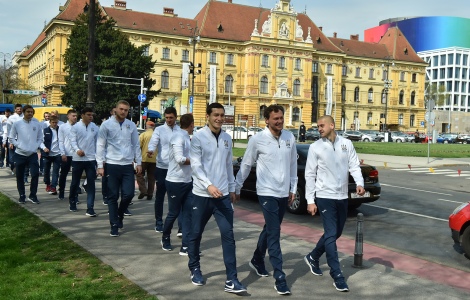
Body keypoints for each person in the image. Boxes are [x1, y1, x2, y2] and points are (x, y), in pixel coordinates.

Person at [234, 104, 297, 295]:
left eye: (281, 118)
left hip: (283, 192)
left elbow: (293, 164)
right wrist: (236, 187)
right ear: (267, 120)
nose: (279, 121)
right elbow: (245, 164)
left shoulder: (289, 137)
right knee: (274, 233)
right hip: (266, 191)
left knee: (270, 228)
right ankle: (280, 277)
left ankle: (257, 258)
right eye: (275, 118)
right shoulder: (258, 140)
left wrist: (293, 188)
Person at [188, 103, 246, 294]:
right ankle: (194, 268)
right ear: (208, 116)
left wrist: (231, 188)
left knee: (228, 236)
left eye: (222, 115)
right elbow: (195, 166)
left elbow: (229, 166)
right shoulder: (197, 137)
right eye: (216, 115)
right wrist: (208, 185)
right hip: (201, 195)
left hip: (222, 197)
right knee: (195, 234)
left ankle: (232, 279)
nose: (219, 118)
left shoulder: (227, 139)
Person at [303, 115, 365, 292]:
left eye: (322, 125)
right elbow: (310, 174)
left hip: (342, 196)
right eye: (318, 126)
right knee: (330, 234)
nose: (319, 128)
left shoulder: (346, 144)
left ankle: (313, 256)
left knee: (336, 233)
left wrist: (359, 182)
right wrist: (310, 200)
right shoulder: (315, 147)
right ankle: (337, 274)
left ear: (332, 125)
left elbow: (354, 165)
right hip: (324, 196)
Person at [96, 100, 142, 236]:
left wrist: (138, 162)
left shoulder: (131, 125)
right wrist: (100, 165)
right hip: (112, 164)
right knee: (113, 196)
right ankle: (114, 225)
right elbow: (100, 145)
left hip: (127, 165)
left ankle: (119, 215)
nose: (123, 112)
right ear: (115, 109)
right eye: (121, 109)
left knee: (129, 194)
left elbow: (135, 145)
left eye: (126, 110)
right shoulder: (106, 125)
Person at [161, 114, 194, 254]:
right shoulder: (178, 137)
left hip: (188, 181)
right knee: (173, 213)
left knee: (188, 214)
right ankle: (165, 237)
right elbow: (180, 159)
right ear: (191, 124)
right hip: (174, 181)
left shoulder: (188, 137)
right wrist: (196, 160)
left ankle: (185, 245)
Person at [147, 107, 181, 233]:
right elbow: (153, 142)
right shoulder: (159, 129)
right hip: (162, 167)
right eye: (166, 117)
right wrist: (151, 150)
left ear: (176, 117)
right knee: (160, 197)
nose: (168, 120)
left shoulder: (180, 130)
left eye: (171, 117)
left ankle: (179, 225)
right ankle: (159, 222)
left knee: (177, 198)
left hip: (176, 169)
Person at [8, 105, 43, 204]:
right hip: (20, 154)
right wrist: (18, 145)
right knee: (19, 175)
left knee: (35, 174)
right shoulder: (17, 124)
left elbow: (40, 137)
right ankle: (22, 195)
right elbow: (11, 137)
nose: (30, 113)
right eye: (28, 112)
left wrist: (36, 146)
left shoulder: (36, 125)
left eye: (31, 112)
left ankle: (33, 195)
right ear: (24, 112)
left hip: (32, 154)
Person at [68, 107, 99, 216]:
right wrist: (77, 150)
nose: (91, 117)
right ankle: (72, 202)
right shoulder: (75, 127)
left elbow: (97, 143)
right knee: (75, 182)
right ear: (82, 115)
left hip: (91, 159)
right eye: (88, 115)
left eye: (92, 115)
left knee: (91, 184)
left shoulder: (94, 127)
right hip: (78, 159)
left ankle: (90, 208)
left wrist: (98, 157)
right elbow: (72, 141)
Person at [58, 109, 78, 200]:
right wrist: (63, 153)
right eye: (73, 116)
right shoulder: (63, 127)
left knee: (76, 175)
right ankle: (61, 191)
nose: (75, 117)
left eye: (76, 116)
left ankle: (74, 194)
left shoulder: (78, 126)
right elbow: (61, 141)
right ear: (68, 116)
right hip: (66, 154)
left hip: (76, 155)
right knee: (63, 174)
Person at [40, 116, 61, 195]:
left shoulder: (60, 130)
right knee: (46, 171)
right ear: (50, 122)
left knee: (56, 171)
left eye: (56, 122)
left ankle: (53, 186)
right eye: (53, 122)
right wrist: (44, 148)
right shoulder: (45, 131)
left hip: (57, 154)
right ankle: (48, 184)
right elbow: (40, 141)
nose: (55, 124)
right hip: (47, 154)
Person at [136, 121, 156, 201]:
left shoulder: (143, 135)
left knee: (139, 174)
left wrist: (136, 158)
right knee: (151, 177)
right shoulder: (156, 135)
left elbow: (138, 146)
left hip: (143, 158)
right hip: (154, 159)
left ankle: (143, 190)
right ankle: (150, 194)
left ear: (146, 127)